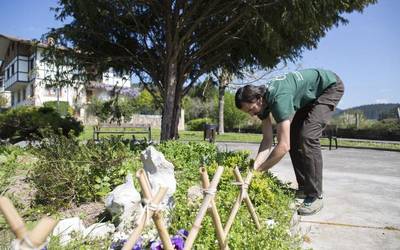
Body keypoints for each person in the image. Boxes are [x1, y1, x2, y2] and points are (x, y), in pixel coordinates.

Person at [235, 68, 344, 215]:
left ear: (258, 99)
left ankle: (315, 195)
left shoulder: (278, 99)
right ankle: (305, 188)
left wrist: (261, 170)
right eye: (248, 112)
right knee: (293, 135)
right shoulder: (262, 105)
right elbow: (267, 140)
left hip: (329, 87)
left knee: (308, 136)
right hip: (310, 96)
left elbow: (283, 146)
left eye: (251, 109)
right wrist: (255, 166)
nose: (252, 114)